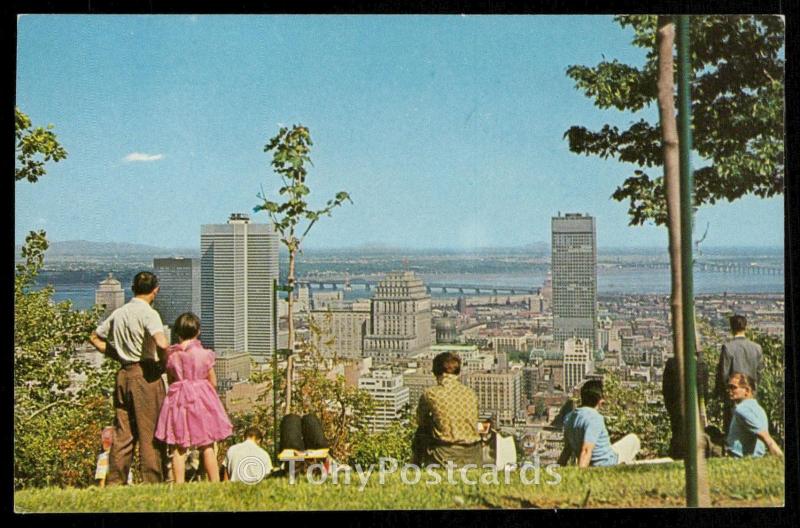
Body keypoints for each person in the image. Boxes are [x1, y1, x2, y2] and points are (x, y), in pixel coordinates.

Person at [89, 271, 170, 485]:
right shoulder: (149, 313)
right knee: (150, 432)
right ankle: (154, 482)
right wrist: (162, 364)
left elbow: (94, 337)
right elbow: (162, 343)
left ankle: (116, 482)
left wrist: (116, 355)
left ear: (133, 289)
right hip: (145, 375)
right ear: (156, 290)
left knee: (123, 433)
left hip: (123, 374)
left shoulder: (120, 312)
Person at [154, 312, 233, 483]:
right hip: (202, 399)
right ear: (198, 331)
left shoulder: (172, 355)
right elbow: (213, 381)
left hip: (178, 400)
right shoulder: (205, 354)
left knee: (179, 446)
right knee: (207, 445)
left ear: (177, 332)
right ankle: (214, 483)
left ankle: (179, 484)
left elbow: (171, 378)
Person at [413, 352, 481, 467]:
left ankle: (415, 465)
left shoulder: (431, 394)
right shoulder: (470, 393)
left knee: (421, 431)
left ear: (435, 372)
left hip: (445, 452)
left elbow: (421, 420)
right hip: (474, 453)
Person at [558, 379, 640, 468]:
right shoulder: (595, 418)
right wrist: (581, 474)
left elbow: (567, 449)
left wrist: (559, 467)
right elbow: (586, 450)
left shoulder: (569, 417)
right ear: (600, 401)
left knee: (614, 447)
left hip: (588, 460)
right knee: (633, 439)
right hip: (607, 462)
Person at [715, 314, 762, 434]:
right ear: (745, 327)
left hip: (733, 396)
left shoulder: (728, 347)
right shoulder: (757, 348)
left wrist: (721, 393)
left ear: (731, 328)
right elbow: (759, 372)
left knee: (732, 429)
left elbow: (723, 374)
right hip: (751, 393)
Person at [662, 353, 709, 459]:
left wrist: (671, 408)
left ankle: (678, 456)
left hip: (677, 409)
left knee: (678, 436)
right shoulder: (701, 366)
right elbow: (704, 393)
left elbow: (666, 390)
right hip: (695, 410)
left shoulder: (672, 364)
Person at [725, 373, 783, 458]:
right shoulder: (759, 409)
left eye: (733, 387)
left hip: (741, 459)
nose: (729, 390)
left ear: (747, 391)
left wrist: (780, 458)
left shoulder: (742, 409)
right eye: (728, 387)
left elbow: (765, 436)